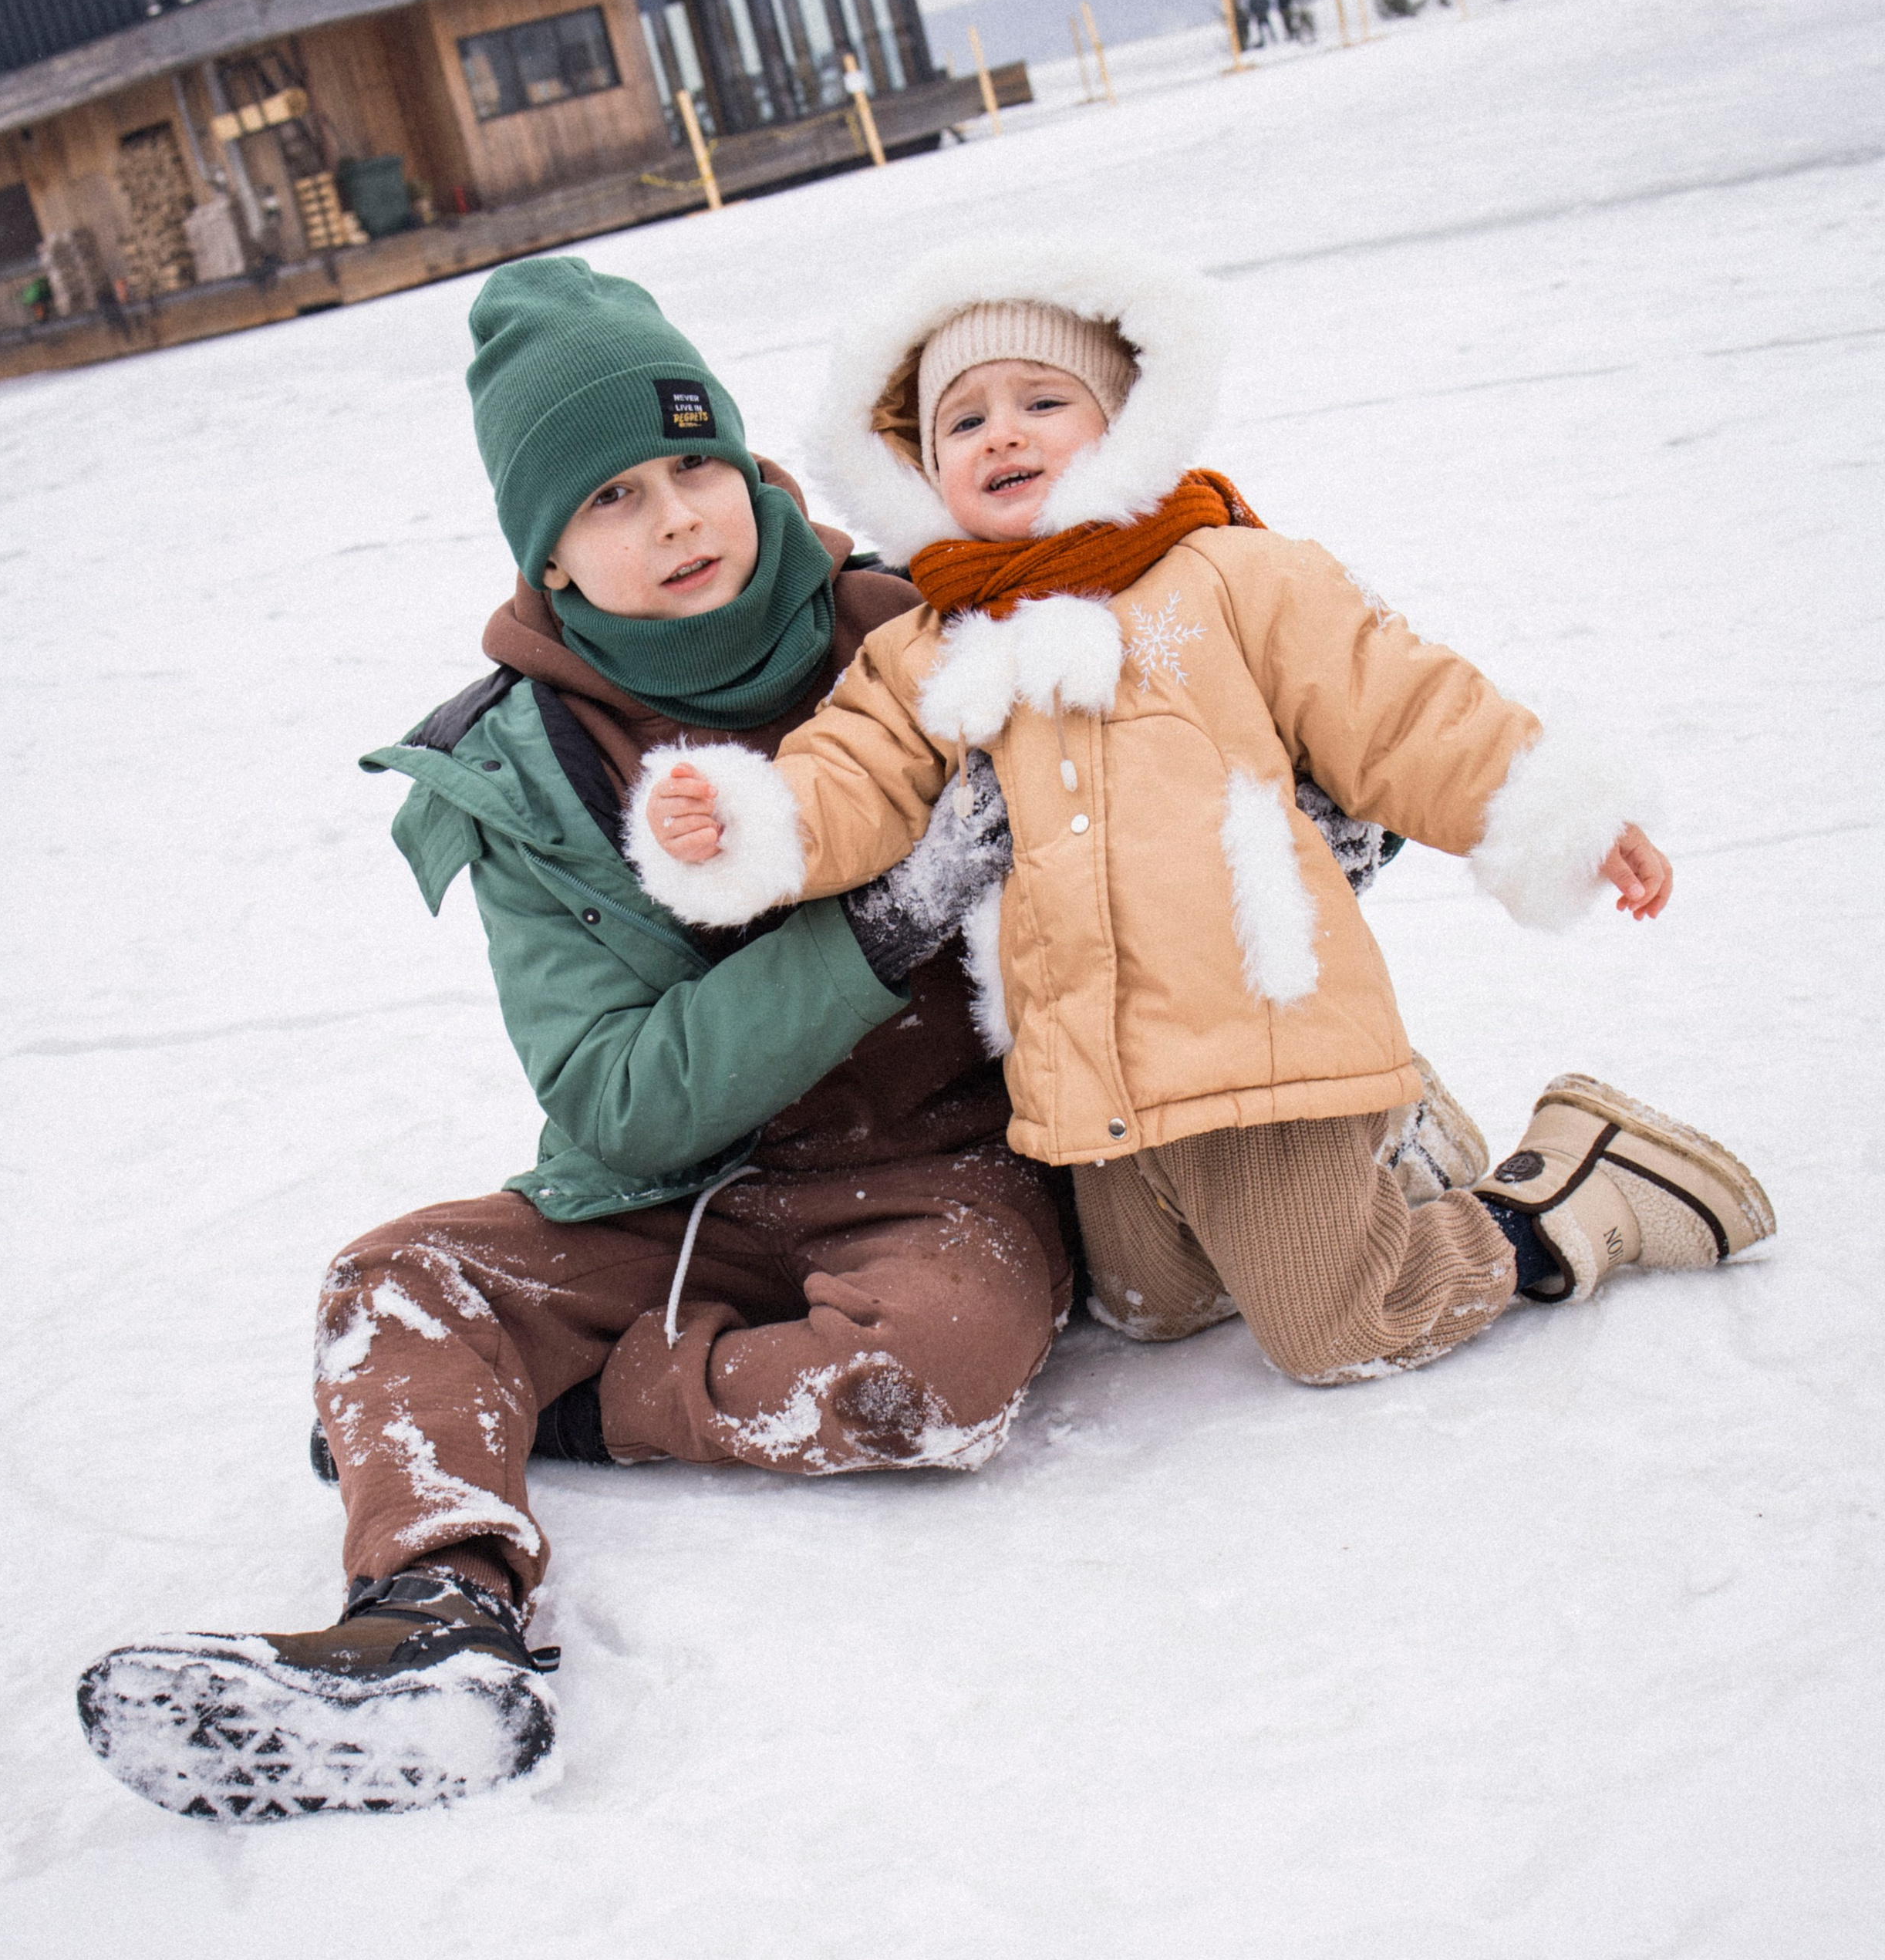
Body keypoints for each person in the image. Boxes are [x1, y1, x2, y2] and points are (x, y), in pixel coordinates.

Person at [76, 259, 1064, 1823]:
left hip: (941, 1172)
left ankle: (570, 1406)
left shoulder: (922, 626)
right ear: (547, 554)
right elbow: (610, 1105)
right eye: (610, 497)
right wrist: (875, 927)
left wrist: (1304, 823)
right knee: (391, 1283)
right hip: (692, 1189)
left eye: (694, 465)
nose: (675, 518)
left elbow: (1169, 765)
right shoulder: (520, 771)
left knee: (930, 1376)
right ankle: (435, 1624)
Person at [639, 238, 1774, 1393]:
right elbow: (856, 775)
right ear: (923, 471)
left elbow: (1405, 712)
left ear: (1125, 421)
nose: (1005, 434)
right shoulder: (931, 648)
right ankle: (1402, 1138)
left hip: (1263, 1027)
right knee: (1149, 1307)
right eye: (963, 423)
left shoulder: (1231, 577)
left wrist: (1558, 811)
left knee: (1342, 1325)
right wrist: (749, 824)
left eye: (1043, 399)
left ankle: (1586, 1187)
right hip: (1095, 1082)